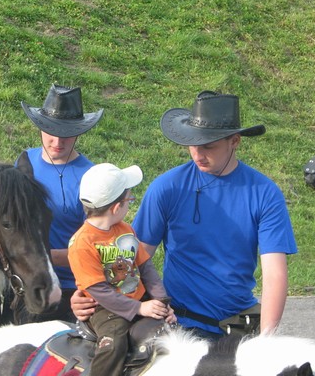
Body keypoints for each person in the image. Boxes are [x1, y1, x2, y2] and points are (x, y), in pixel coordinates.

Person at [72, 90, 297, 340]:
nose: (197, 154)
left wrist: (266, 340)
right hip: (178, 327)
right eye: (192, 144)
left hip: (237, 327)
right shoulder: (167, 187)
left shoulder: (265, 193)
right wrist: (91, 294)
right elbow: (131, 260)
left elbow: (274, 275)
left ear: (235, 141)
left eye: (208, 146)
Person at [68, 163, 175, 376]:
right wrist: (138, 308)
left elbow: (146, 269)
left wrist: (163, 303)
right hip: (105, 309)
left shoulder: (125, 229)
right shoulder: (81, 243)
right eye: (129, 200)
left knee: (171, 332)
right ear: (117, 207)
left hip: (138, 298)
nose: (130, 204)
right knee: (114, 344)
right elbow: (99, 291)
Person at [19, 84, 104, 321]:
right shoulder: (25, 162)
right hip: (24, 282)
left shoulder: (92, 177)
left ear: (78, 132)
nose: (57, 141)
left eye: (65, 134)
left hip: (70, 291)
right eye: (50, 132)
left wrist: (39, 254)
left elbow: (95, 249)